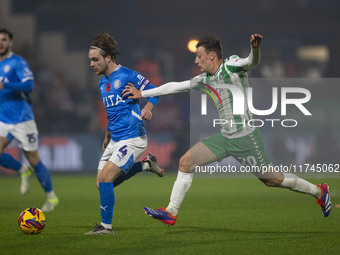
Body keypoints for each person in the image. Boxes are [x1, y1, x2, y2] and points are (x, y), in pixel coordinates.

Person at [122, 33, 332, 225]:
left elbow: (252, 61)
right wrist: (143, 94)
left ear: (212, 56)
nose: (195, 61)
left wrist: (255, 49)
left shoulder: (232, 66)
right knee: (185, 161)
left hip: (246, 139)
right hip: (224, 138)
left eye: (199, 56)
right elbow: (176, 85)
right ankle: (171, 211)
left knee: (272, 180)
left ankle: (318, 191)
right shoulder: (204, 79)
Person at [85, 33, 164, 235]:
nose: (92, 64)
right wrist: (107, 133)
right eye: (90, 60)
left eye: (95, 60)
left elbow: (155, 90)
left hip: (133, 138)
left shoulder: (128, 75)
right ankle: (146, 165)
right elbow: (114, 112)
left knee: (105, 181)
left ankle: (106, 228)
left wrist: (148, 108)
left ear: (108, 58)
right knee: (100, 184)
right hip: (115, 138)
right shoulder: (103, 83)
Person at [0, 28, 59, 212]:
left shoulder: (18, 62)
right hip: (3, 119)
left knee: (34, 159)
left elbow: (29, 85)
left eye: (4, 39)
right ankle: (21, 169)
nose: (0, 42)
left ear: (10, 42)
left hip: (22, 119)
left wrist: (6, 84)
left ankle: (51, 197)